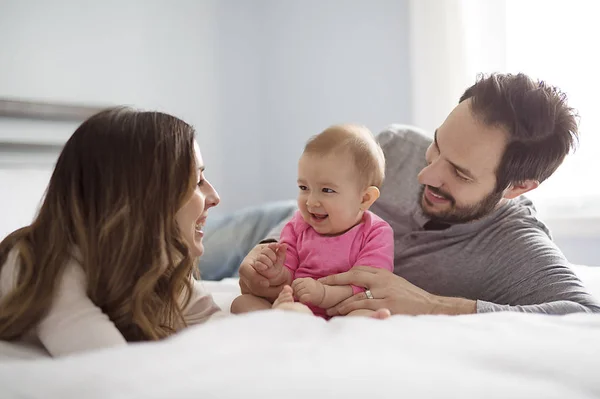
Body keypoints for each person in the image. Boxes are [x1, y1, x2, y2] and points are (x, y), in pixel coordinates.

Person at [235, 73, 600, 315]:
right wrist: (267, 255)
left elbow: (586, 317)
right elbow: (301, 216)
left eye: (458, 172)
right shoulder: (398, 145)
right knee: (181, 225)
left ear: (517, 188)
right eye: (437, 145)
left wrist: (431, 304)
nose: (426, 174)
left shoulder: (516, 246)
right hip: (282, 219)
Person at [0, 107, 225, 357]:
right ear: (143, 197)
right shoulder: (37, 261)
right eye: (197, 182)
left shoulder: (153, 263)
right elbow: (107, 364)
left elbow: (223, 333)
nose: (215, 197)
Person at [230, 124, 394, 319]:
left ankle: (308, 325)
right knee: (241, 303)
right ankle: (288, 318)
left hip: (342, 308)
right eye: (304, 187)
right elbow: (287, 269)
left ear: (364, 198)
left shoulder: (376, 233)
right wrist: (274, 272)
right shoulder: (298, 224)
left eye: (327, 190)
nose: (311, 201)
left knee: (365, 312)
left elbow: (370, 284)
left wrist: (324, 294)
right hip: (297, 302)